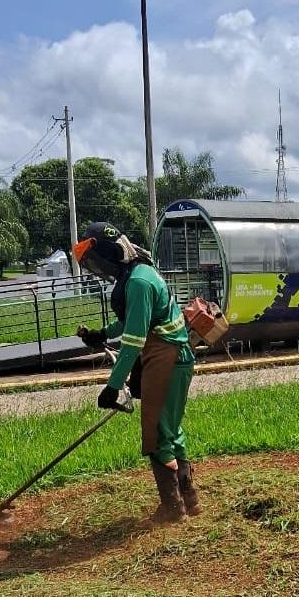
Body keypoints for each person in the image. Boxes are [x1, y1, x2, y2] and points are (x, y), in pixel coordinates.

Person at [74, 222, 198, 524]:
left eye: (96, 261)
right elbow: (133, 321)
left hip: (166, 358)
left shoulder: (139, 281)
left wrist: (113, 386)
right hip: (172, 357)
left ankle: (173, 510)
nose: (97, 269)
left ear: (109, 254)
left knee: (156, 435)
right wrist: (101, 333)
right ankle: (190, 501)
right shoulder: (140, 273)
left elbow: (133, 341)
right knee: (171, 430)